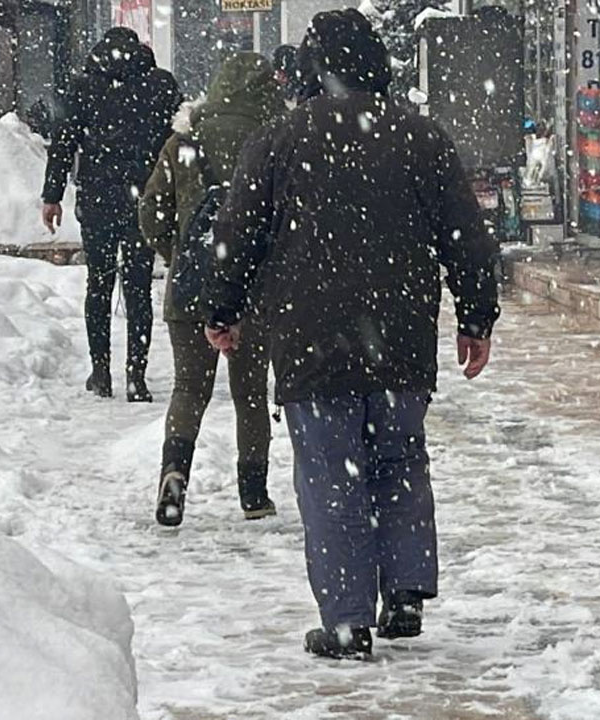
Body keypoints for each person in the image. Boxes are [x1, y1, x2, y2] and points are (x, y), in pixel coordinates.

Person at [204, 9, 499, 660]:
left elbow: (235, 238)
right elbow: (466, 236)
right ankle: (405, 591)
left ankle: (345, 619)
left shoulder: (277, 141)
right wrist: (476, 315)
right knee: (399, 461)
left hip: (313, 343)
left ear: (311, 70)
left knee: (330, 475)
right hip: (401, 338)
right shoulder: (420, 137)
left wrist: (223, 310)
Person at [139, 52, 283, 527]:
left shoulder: (184, 140)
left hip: (191, 286)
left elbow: (151, 212)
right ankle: (253, 493)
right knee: (250, 395)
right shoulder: (271, 141)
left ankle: (174, 476)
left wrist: (180, 253)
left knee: (189, 389)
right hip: (254, 288)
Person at [42, 27, 181, 400]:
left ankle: (100, 371)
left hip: (98, 197)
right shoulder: (159, 87)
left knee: (98, 285)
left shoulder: (84, 87)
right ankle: (136, 374)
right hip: (143, 198)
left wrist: (51, 195)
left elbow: (64, 142)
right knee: (138, 287)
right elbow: (175, 137)